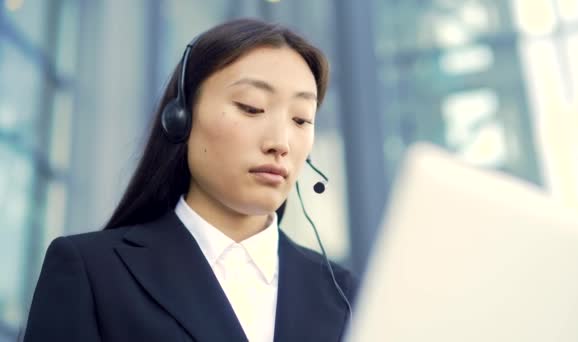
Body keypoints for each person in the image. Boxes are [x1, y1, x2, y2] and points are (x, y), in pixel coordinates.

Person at [23, 18, 356, 342]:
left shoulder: (347, 297)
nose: (280, 143)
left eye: (301, 119)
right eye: (252, 108)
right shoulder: (93, 272)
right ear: (180, 118)